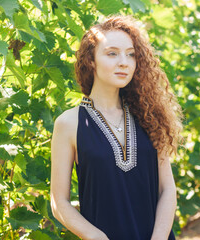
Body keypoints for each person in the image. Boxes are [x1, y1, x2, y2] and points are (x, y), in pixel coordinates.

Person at [50, 15, 183, 240]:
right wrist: (96, 237)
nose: (124, 62)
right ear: (91, 60)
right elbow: (58, 202)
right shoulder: (68, 123)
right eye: (112, 53)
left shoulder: (149, 115)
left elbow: (167, 189)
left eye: (130, 54)